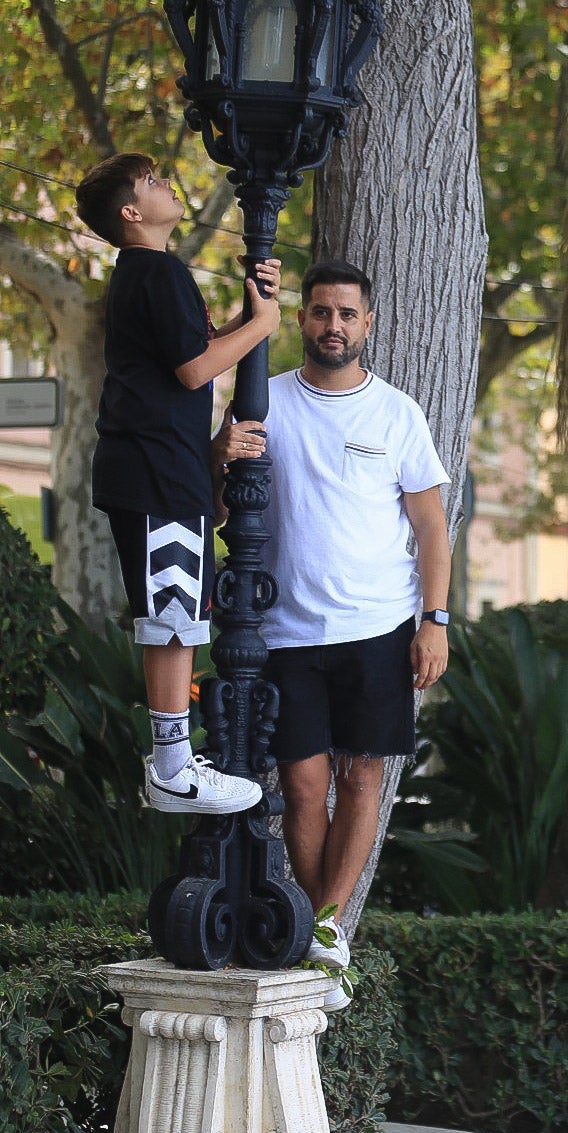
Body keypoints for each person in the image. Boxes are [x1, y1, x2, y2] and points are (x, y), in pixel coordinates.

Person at [216, 259, 450, 1008]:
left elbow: (432, 530)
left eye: (347, 314)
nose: (333, 326)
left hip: (378, 627)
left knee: (361, 778)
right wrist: (222, 458)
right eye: (320, 312)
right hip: (285, 630)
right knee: (302, 784)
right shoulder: (265, 400)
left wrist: (434, 622)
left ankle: (321, 925)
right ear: (303, 319)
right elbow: (223, 510)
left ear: (368, 323)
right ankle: (321, 932)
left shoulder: (397, 414)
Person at [74, 153, 283, 817]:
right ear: (131, 213)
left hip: (161, 464)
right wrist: (262, 327)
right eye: (152, 180)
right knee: (172, 619)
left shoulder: (149, 274)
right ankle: (170, 767)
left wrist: (246, 315)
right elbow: (195, 372)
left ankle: (173, 761)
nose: (168, 182)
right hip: (156, 465)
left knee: (179, 617)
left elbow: (185, 357)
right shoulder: (155, 270)